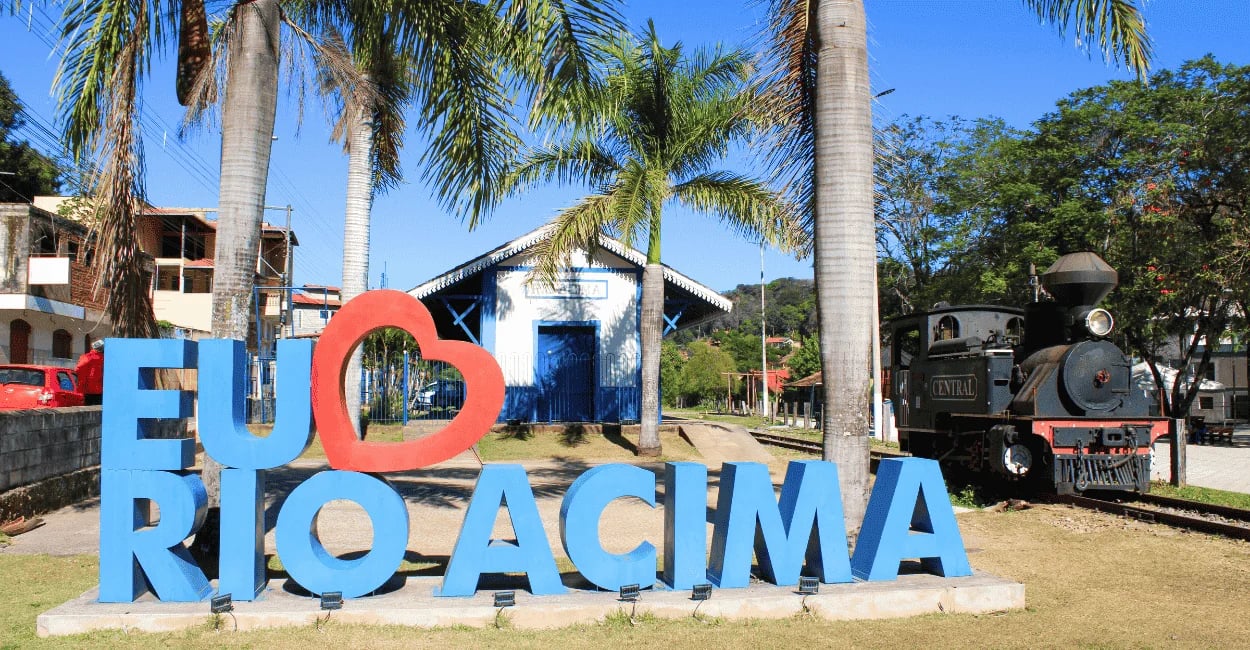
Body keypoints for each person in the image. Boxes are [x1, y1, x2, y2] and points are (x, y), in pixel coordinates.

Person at [76, 340, 104, 406]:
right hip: (99, 389)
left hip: (87, 388)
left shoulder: (86, 357)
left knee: (87, 408)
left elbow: (78, 369)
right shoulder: (105, 358)